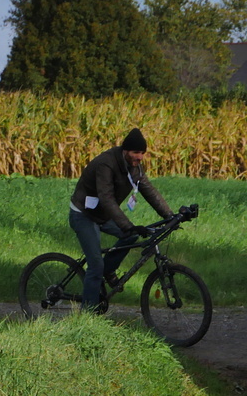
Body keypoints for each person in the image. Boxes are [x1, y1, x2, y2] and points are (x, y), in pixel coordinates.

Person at [69, 127, 173, 310]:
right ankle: (87, 313)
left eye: (142, 153)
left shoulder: (134, 167)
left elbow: (149, 190)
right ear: (125, 150)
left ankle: (108, 270)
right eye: (136, 152)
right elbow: (106, 198)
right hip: (84, 215)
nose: (140, 157)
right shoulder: (106, 164)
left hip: (103, 214)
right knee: (95, 265)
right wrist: (128, 225)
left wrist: (171, 216)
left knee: (131, 236)